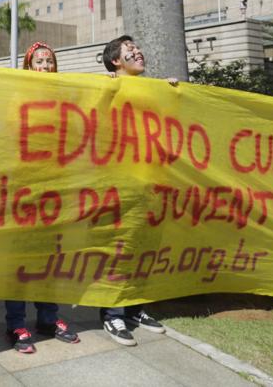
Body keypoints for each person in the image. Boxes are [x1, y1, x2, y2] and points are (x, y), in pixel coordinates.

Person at [2, 42, 80, 354]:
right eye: (39, 62)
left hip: (55, 189)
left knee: (51, 258)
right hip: (25, 189)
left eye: (50, 61)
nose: (45, 67)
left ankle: (48, 318)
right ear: (29, 66)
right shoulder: (17, 97)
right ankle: (15, 323)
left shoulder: (65, 97)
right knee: (20, 261)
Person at [97, 35, 170, 346]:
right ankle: (112, 313)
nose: (138, 53)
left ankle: (134, 308)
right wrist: (106, 87)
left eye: (138, 49)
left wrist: (173, 92)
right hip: (119, 183)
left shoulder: (154, 89)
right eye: (130, 51)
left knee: (142, 247)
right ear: (116, 61)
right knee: (119, 247)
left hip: (149, 181)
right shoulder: (109, 86)